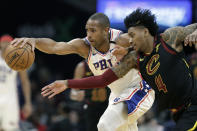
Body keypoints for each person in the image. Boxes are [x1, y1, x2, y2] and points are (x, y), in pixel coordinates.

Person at [41, 9, 197, 131]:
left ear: (145, 31)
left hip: (188, 102)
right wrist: (67, 83)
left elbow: (192, 27)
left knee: (105, 125)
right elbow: (103, 80)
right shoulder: (132, 58)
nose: (129, 39)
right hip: (176, 109)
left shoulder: (169, 38)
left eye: (132, 35)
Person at [11, 13, 155, 131]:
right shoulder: (83, 46)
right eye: (87, 30)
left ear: (106, 31)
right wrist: (34, 41)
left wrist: (129, 50)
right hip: (117, 95)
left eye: (93, 31)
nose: (89, 35)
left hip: (138, 89)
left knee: (105, 125)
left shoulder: (122, 39)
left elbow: (150, 45)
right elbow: (55, 47)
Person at [0, 35, 32, 131]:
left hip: (10, 101)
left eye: (8, 42)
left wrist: (28, 103)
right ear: (0, 44)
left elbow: (25, 81)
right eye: (3, 42)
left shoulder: (18, 59)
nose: (6, 44)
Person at [70, 60, 110, 131]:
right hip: (91, 108)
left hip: (109, 106)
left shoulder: (110, 62)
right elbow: (73, 93)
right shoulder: (82, 66)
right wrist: (77, 94)